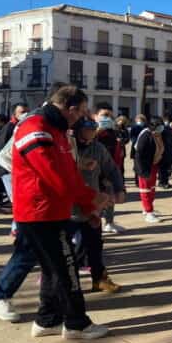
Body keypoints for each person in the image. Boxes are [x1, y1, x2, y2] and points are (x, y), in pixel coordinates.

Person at [11, 85, 109, 339]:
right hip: (40, 213)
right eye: (81, 113)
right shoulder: (36, 128)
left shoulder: (57, 130)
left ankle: (47, 320)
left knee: (53, 269)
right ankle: (77, 323)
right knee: (66, 269)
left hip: (52, 210)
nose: (82, 119)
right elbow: (55, 176)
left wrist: (87, 208)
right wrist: (91, 199)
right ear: (71, 108)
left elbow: (69, 173)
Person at [71, 118, 123, 293]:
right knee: (64, 248)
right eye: (87, 131)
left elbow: (112, 169)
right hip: (67, 206)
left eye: (93, 131)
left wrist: (119, 188)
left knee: (94, 244)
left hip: (90, 206)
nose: (90, 135)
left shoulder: (97, 148)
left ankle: (99, 279)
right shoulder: (67, 147)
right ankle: (58, 280)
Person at [96, 116, 126, 233]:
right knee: (99, 200)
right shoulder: (94, 138)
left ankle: (109, 222)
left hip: (110, 171)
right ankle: (99, 223)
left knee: (110, 198)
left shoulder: (113, 137)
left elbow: (117, 158)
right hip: (98, 174)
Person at [133, 116, 164, 223]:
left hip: (153, 165)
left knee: (151, 188)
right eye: (159, 125)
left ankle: (149, 208)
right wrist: (142, 171)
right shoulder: (145, 135)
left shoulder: (155, 134)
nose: (161, 128)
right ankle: (148, 212)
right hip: (145, 167)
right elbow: (139, 154)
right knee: (145, 190)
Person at [158, 114, 172, 189]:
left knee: (166, 168)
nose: (166, 122)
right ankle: (163, 182)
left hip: (169, 151)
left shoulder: (170, 129)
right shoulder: (160, 129)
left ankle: (164, 181)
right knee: (163, 169)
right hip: (163, 151)